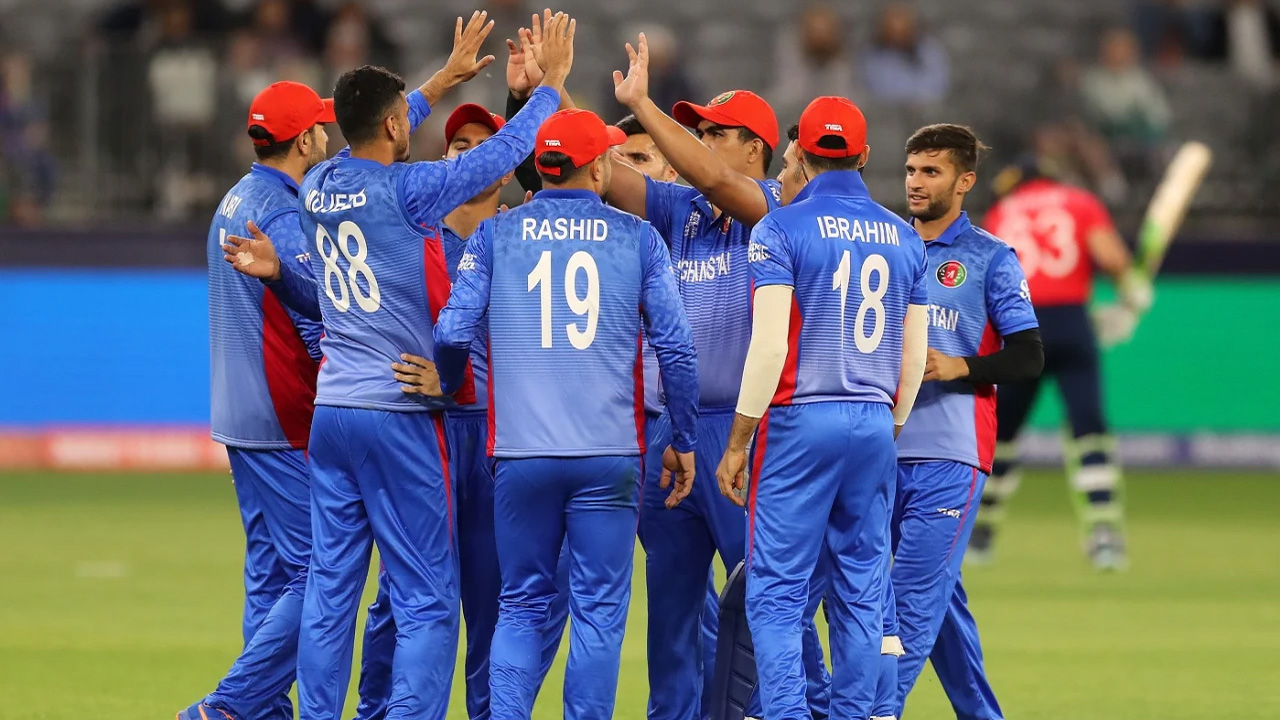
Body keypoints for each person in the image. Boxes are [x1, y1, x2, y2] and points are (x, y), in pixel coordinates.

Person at [283, 11, 569, 720]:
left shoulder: (317, 184)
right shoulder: (411, 194)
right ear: (391, 130)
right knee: (426, 599)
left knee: (330, 588)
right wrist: (551, 89)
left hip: (334, 414)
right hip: (400, 408)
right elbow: (495, 160)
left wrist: (441, 80)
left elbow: (381, 122)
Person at [432, 107, 700, 720]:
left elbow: (451, 332)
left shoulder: (496, 235)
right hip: (610, 454)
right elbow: (677, 350)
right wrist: (682, 435)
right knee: (598, 611)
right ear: (599, 165)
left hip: (521, 454)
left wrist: (452, 387)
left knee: (521, 604)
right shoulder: (639, 239)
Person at [611, 33, 831, 720]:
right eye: (697, 128)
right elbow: (596, 173)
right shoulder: (678, 213)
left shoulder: (778, 212)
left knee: (774, 606)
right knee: (672, 618)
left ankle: (813, 709)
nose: (701, 139)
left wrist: (644, 105)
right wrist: (542, 95)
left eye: (716, 131)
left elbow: (711, 180)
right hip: (672, 438)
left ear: (756, 150)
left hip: (746, 438)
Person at [354, 102, 571, 720]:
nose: (466, 153)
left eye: (482, 145)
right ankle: (377, 709)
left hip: (493, 443)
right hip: (427, 434)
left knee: (492, 601)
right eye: (457, 143)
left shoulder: (524, 244)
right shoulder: (410, 237)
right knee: (400, 598)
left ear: (501, 170)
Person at [717, 96, 929, 720]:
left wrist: (737, 441)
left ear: (801, 157)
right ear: (864, 156)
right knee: (862, 590)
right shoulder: (902, 235)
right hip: (872, 420)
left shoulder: (780, 228)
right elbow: (912, 360)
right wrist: (887, 426)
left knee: (778, 595)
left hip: (799, 422)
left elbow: (770, 343)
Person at [182, 79, 331, 720]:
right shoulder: (280, 213)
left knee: (272, 573)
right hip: (282, 413)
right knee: (323, 573)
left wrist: (434, 86)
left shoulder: (238, 197)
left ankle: (262, 713)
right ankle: (228, 708)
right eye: (322, 126)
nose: (329, 134)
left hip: (240, 413)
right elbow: (314, 320)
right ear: (304, 140)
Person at [888, 125, 1045, 720]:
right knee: (937, 606)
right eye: (911, 170)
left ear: (965, 181)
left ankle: (873, 710)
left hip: (951, 454)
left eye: (931, 172)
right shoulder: (887, 244)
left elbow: (1029, 355)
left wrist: (961, 366)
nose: (916, 182)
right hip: (880, 452)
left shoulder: (989, 258)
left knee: (905, 607)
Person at [974, 156, 1151, 570]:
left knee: (1000, 437)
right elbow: (1113, 258)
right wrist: (1129, 300)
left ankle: (978, 535)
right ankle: (1105, 536)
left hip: (1018, 327)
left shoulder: (1002, 210)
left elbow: (987, 280)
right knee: (1089, 430)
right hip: (1072, 323)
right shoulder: (1080, 201)